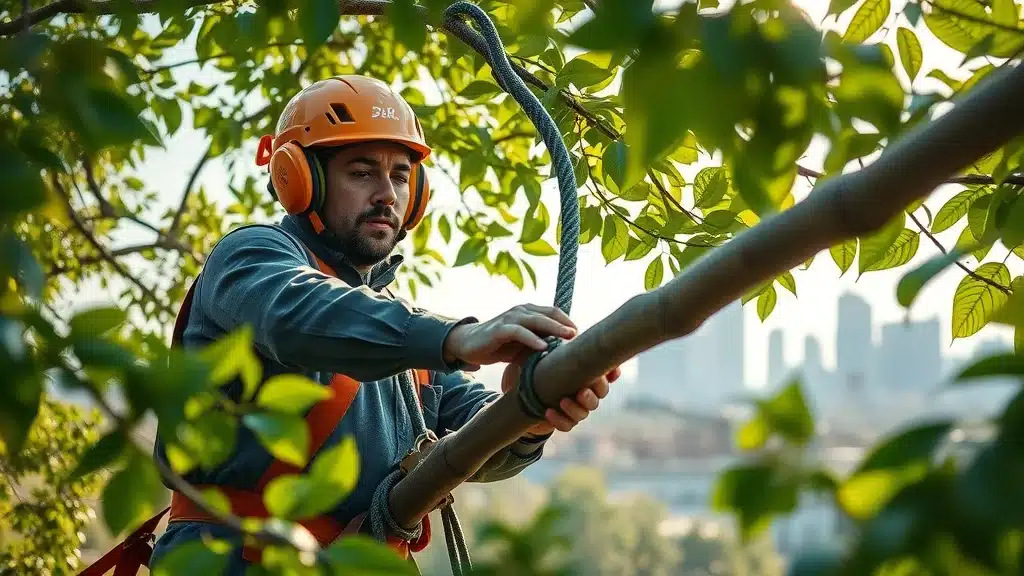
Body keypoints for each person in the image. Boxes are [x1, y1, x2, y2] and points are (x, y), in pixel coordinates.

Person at [148, 74, 619, 573]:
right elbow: (299, 316)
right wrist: (460, 336)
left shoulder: (402, 337)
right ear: (300, 180)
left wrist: (532, 408)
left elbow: (475, 439)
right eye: (362, 172)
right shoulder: (251, 258)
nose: (387, 194)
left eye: (399, 176)